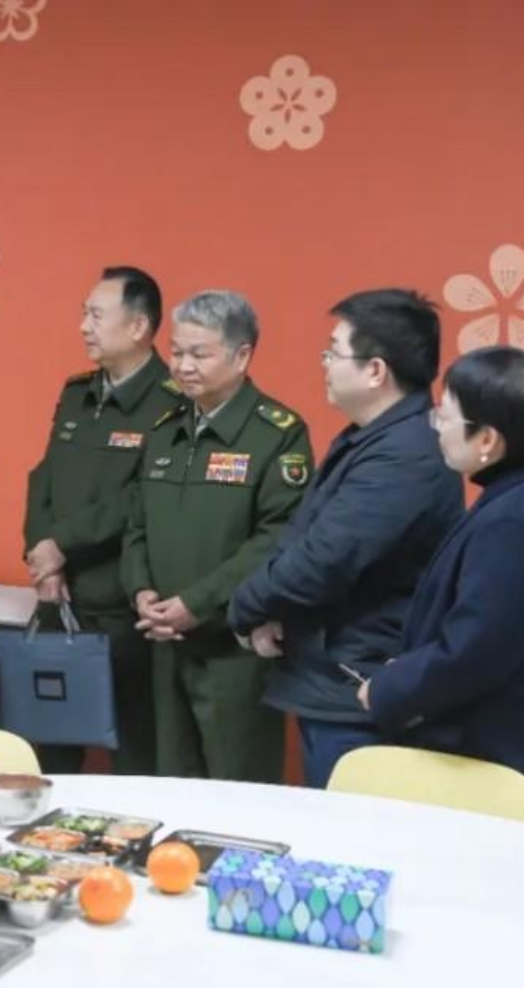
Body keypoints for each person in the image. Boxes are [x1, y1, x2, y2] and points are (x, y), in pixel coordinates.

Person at [228, 290, 462, 787]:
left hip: (360, 686)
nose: (325, 364)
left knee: (355, 827)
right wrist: (271, 608)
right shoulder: (372, 436)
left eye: (333, 352)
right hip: (334, 673)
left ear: (376, 371)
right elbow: (305, 533)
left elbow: (325, 558)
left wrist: (245, 607)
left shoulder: (405, 455)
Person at [360, 347, 524, 834]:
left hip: (500, 770)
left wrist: (389, 687)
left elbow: (473, 652)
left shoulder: (517, 522)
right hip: (508, 753)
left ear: (487, 439)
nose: (437, 427)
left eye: (444, 416)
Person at [120, 289, 312, 782]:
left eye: (199, 354)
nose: (183, 366)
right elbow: (137, 524)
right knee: (171, 785)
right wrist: (141, 591)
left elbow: (278, 537)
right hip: (164, 644)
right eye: (177, 351)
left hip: (234, 651)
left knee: (238, 790)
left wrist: (197, 603)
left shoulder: (277, 433)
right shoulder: (165, 429)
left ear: (241, 356)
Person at [22, 266, 184, 774]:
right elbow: (44, 477)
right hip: (59, 599)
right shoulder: (77, 392)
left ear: (138, 327)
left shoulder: (173, 401)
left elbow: (144, 496)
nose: (83, 327)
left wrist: (63, 543)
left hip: (121, 606)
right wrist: (42, 555)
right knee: (49, 751)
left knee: (134, 755)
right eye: (83, 314)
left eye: (95, 315)